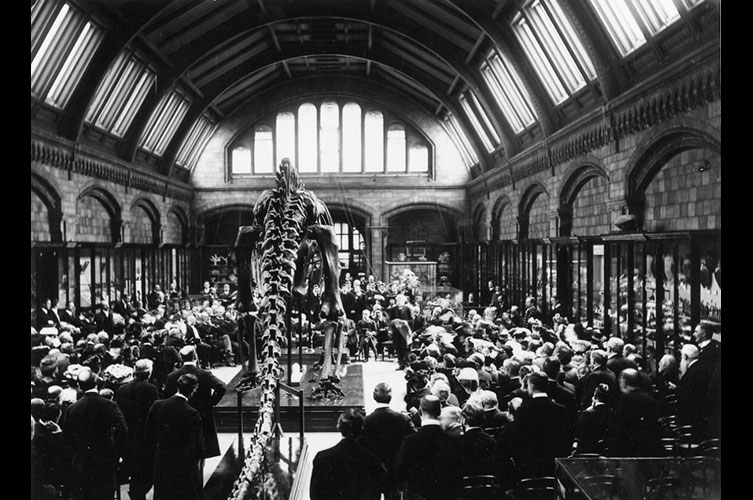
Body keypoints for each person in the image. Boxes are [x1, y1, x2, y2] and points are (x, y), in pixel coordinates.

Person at [62, 366, 128, 500]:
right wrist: (115, 452)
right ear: (96, 383)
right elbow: (122, 430)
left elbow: (67, 435)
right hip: (104, 460)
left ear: (80, 386)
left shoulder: (72, 408)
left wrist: (77, 450)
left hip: (82, 461)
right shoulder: (110, 405)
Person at [163, 346, 227, 469]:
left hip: (179, 415)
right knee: (201, 449)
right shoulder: (203, 374)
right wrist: (211, 402)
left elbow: (166, 396)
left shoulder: (172, 376)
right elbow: (222, 387)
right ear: (195, 356)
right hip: (201, 414)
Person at [146, 373, 205, 500]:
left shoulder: (157, 405)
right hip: (183, 465)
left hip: (162, 460)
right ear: (194, 389)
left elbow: (149, 435)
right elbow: (196, 446)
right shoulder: (192, 413)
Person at [395, 395, 462, 500]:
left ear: (420, 411)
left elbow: (400, 473)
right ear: (439, 412)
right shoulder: (452, 441)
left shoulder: (410, 441)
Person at [310, 409, 382, 500]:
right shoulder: (371, 460)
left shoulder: (323, 457)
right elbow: (374, 494)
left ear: (339, 427)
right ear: (361, 428)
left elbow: (316, 494)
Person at [114, 359, 160, 500]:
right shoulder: (151, 389)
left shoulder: (122, 389)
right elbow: (155, 414)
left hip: (128, 437)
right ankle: (136, 494)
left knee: (134, 471)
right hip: (144, 438)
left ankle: (136, 493)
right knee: (146, 473)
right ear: (149, 372)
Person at [360, 383, 415, 500]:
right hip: (396, 470)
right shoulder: (403, 419)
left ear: (374, 396)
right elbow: (413, 441)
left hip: (373, 471)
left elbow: (362, 447)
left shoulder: (366, 421)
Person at [513, 371, 572, 478]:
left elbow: (518, 439)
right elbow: (567, 437)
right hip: (553, 464)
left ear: (531, 385)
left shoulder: (522, 411)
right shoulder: (561, 410)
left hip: (529, 464)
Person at [610, 368, 662, 457]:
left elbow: (619, 428)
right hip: (650, 449)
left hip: (629, 450)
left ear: (624, 383)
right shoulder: (651, 400)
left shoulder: (624, 401)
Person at [574, 383, 615, 455]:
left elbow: (580, 434)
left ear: (595, 397)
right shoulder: (612, 413)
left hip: (589, 451)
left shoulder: (588, 413)